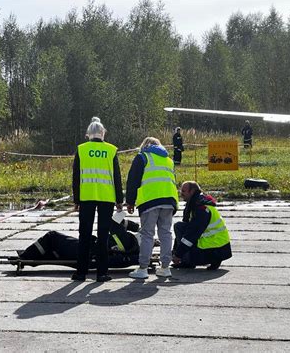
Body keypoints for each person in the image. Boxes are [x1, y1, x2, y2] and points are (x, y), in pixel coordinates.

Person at [72, 117, 124, 282]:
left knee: (84, 235)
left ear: (88, 134)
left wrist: (76, 199)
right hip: (106, 197)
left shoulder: (81, 149)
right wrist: (119, 199)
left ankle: (81, 272)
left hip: (86, 197)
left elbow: (76, 177)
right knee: (103, 236)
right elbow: (117, 176)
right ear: (103, 133)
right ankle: (102, 273)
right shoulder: (111, 150)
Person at [126, 136, 179, 279]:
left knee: (147, 234)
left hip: (150, 201)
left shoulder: (142, 157)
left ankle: (143, 268)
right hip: (169, 201)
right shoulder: (168, 160)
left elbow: (133, 180)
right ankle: (165, 267)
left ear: (144, 145)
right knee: (166, 233)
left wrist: (130, 201)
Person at [18, 212, 142, 268]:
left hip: (86, 251)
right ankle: (31, 259)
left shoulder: (125, 238)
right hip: (92, 256)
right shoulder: (133, 252)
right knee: (54, 247)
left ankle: (25, 257)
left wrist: (136, 227)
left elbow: (115, 219)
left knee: (52, 237)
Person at [172, 181, 232, 270]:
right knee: (180, 226)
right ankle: (187, 260)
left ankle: (189, 261)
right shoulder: (194, 204)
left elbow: (191, 234)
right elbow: (186, 231)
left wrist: (178, 255)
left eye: (184, 191)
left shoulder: (201, 209)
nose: (181, 194)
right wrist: (175, 251)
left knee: (182, 229)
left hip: (216, 247)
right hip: (215, 245)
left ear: (192, 191)